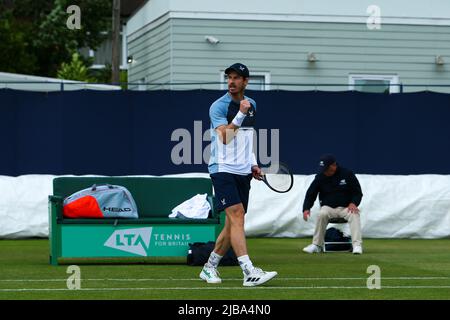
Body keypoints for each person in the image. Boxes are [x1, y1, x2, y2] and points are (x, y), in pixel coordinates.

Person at [199, 63, 277, 286]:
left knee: (232, 223)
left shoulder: (252, 104)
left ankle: (209, 267)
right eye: (229, 78)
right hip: (222, 167)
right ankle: (248, 271)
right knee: (237, 215)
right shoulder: (218, 106)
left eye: (236, 78)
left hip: (243, 170)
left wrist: (253, 163)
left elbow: (246, 138)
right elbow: (225, 137)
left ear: (246, 81)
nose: (231, 82)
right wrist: (240, 114)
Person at [302, 154, 364, 254]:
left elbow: (357, 193)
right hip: (328, 208)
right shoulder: (320, 177)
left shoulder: (347, 174)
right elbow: (310, 194)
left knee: (354, 214)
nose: (325, 171)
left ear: (334, 165)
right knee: (322, 213)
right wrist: (306, 208)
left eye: (327, 168)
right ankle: (316, 245)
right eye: (323, 169)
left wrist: (353, 203)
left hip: (346, 208)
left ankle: (357, 245)